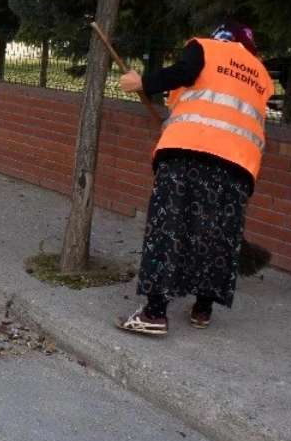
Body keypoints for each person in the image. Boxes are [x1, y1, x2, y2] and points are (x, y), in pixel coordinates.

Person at [115, 22, 272, 336]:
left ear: (220, 37)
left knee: (170, 227)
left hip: (188, 155)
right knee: (219, 235)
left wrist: (142, 81)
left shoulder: (205, 48)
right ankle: (203, 309)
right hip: (239, 165)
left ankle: (155, 314)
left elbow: (184, 73)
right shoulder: (261, 75)